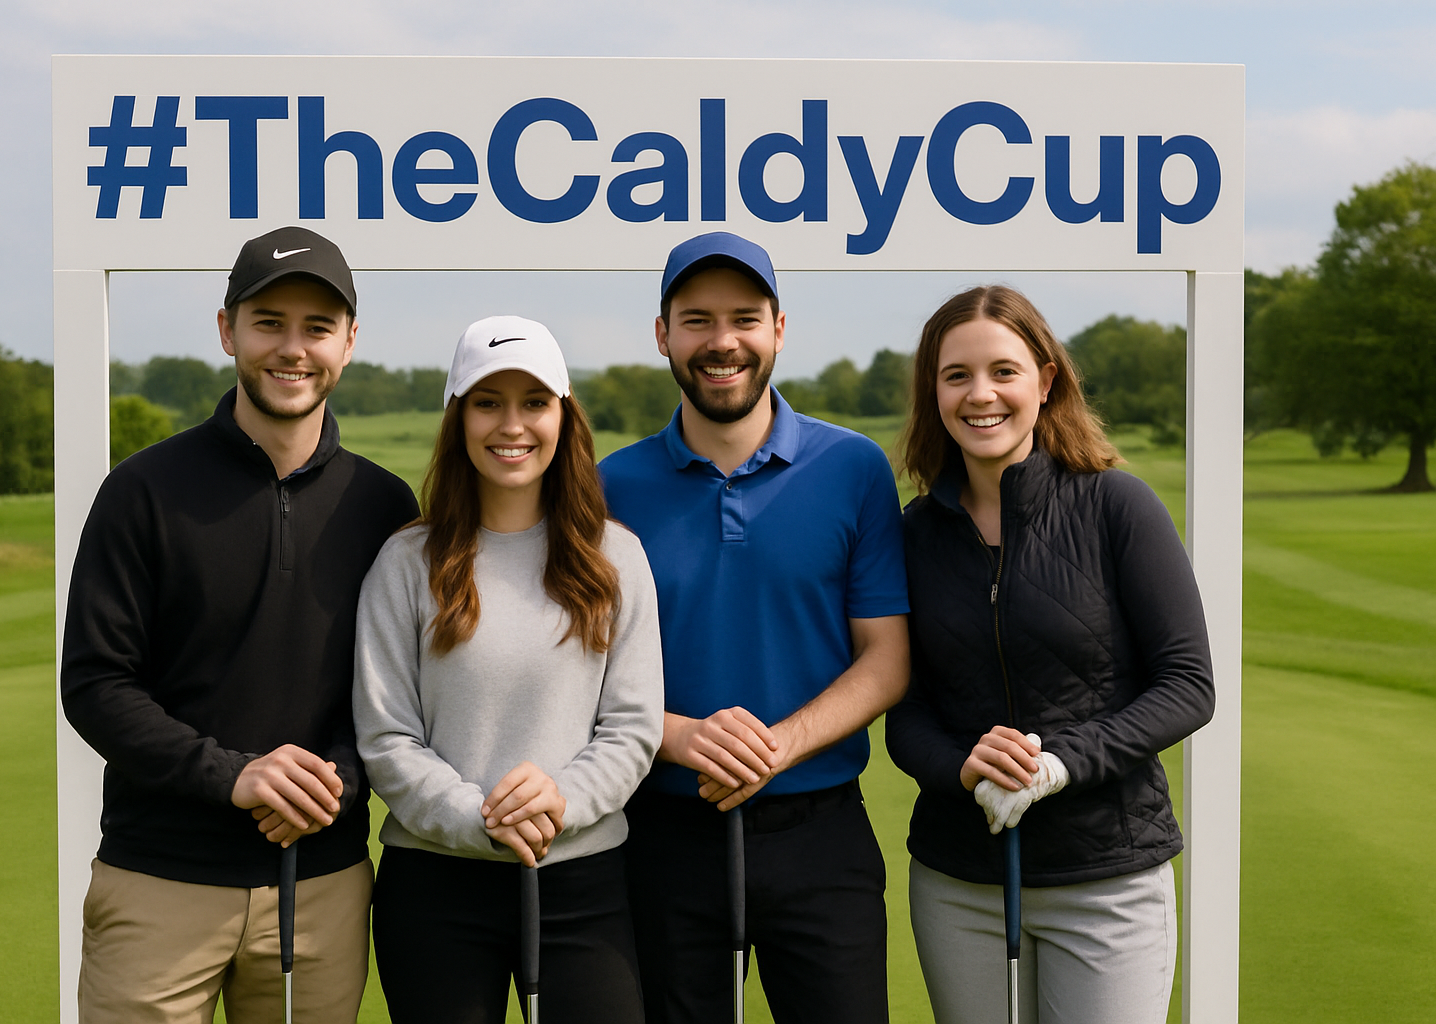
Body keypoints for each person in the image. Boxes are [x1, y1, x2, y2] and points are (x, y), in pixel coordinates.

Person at [60, 225, 418, 1024]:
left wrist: (334, 779)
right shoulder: (142, 491)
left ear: (349, 343)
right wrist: (235, 775)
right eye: (268, 323)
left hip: (322, 886)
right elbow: (95, 683)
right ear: (227, 330)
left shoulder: (387, 507)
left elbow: (405, 696)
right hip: (159, 883)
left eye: (318, 328)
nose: (293, 349)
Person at [599, 232, 910, 1024]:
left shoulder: (853, 468)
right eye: (697, 319)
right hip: (663, 836)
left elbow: (885, 658)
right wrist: (674, 735)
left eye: (744, 317)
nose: (722, 341)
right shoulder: (609, 486)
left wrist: (778, 745)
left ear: (779, 327)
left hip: (823, 833)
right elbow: (578, 672)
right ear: (663, 334)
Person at [884, 285, 1216, 1024]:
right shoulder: (911, 537)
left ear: (1046, 379)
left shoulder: (1116, 506)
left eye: (1004, 371)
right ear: (933, 391)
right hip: (959, 883)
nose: (982, 395)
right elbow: (904, 713)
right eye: (956, 375)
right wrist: (962, 765)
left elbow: (1189, 684)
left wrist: (1057, 763)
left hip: (1107, 883)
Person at [353, 315, 663, 1024]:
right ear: (457, 418)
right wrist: (479, 818)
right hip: (436, 887)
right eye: (488, 402)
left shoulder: (616, 556)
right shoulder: (407, 562)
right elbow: (387, 737)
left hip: (584, 882)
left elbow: (632, 729)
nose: (512, 424)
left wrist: (559, 801)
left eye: (534, 402)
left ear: (564, 414)